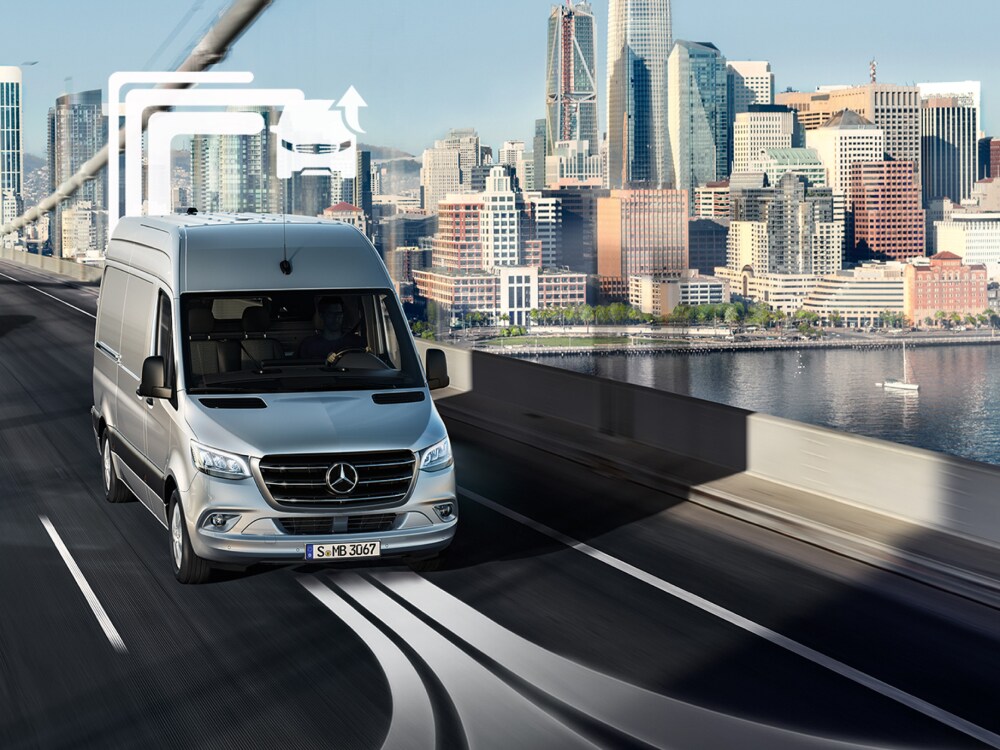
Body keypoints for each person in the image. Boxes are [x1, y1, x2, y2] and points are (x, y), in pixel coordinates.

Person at [297, 297, 364, 359]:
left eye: (339, 313)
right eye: (331, 314)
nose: (336, 318)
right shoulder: (309, 344)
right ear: (322, 315)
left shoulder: (355, 342)